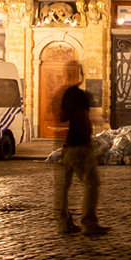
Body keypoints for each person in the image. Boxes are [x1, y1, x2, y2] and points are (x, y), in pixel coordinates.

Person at [54, 62, 106, 236]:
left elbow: (62, 116)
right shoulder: (79, 95)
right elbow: (81, 116)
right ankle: (89, 223)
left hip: (68, 144)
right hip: (80, 146)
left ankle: (65, 223)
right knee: (92, 182)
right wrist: (87, 139)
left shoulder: (66, 94)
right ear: (81, 76)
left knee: (64, 186)